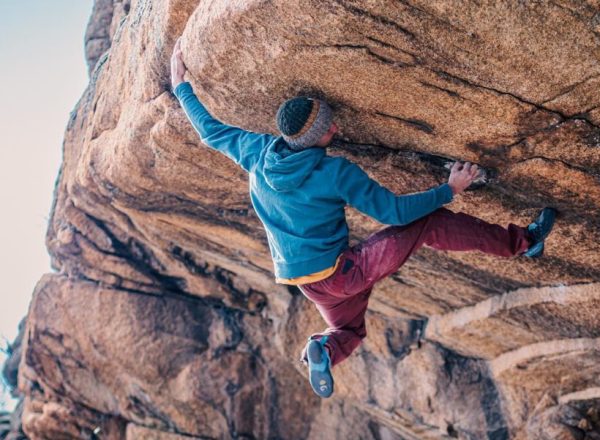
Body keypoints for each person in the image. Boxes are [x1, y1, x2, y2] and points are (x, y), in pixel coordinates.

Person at [170, 39, 556, 398]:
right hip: (344, 272)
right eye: (327, 128)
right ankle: (524, 243)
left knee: (349, 331)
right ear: (312, 139)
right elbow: (394, 212)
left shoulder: (255, 151)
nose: (336, 128)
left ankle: (322, 348)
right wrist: (449, 188)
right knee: (430, 223)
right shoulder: (333, 172)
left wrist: (181, 87)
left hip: (306, 283)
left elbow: (210, 131)